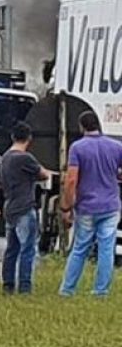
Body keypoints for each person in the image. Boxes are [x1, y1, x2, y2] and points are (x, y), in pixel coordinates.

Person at [59, 111, 122, 297]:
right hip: (110, 206)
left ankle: (67, 290)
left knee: (80, 249)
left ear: (82, 127)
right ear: (98, 124)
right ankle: (100, 292)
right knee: (106, 249)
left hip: (86, 207)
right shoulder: (116, 147)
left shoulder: (77, 148)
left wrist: (66, 207)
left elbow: (71, 180)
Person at [0, 121, 51, 294]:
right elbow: (43, 175)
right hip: (24, 208)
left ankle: (7, 285)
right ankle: (24, 287)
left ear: (13, 136)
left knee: (11, 249)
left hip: (10, 206)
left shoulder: (6, 157)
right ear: (29, 138)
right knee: (27, 249)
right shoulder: (25, 158)